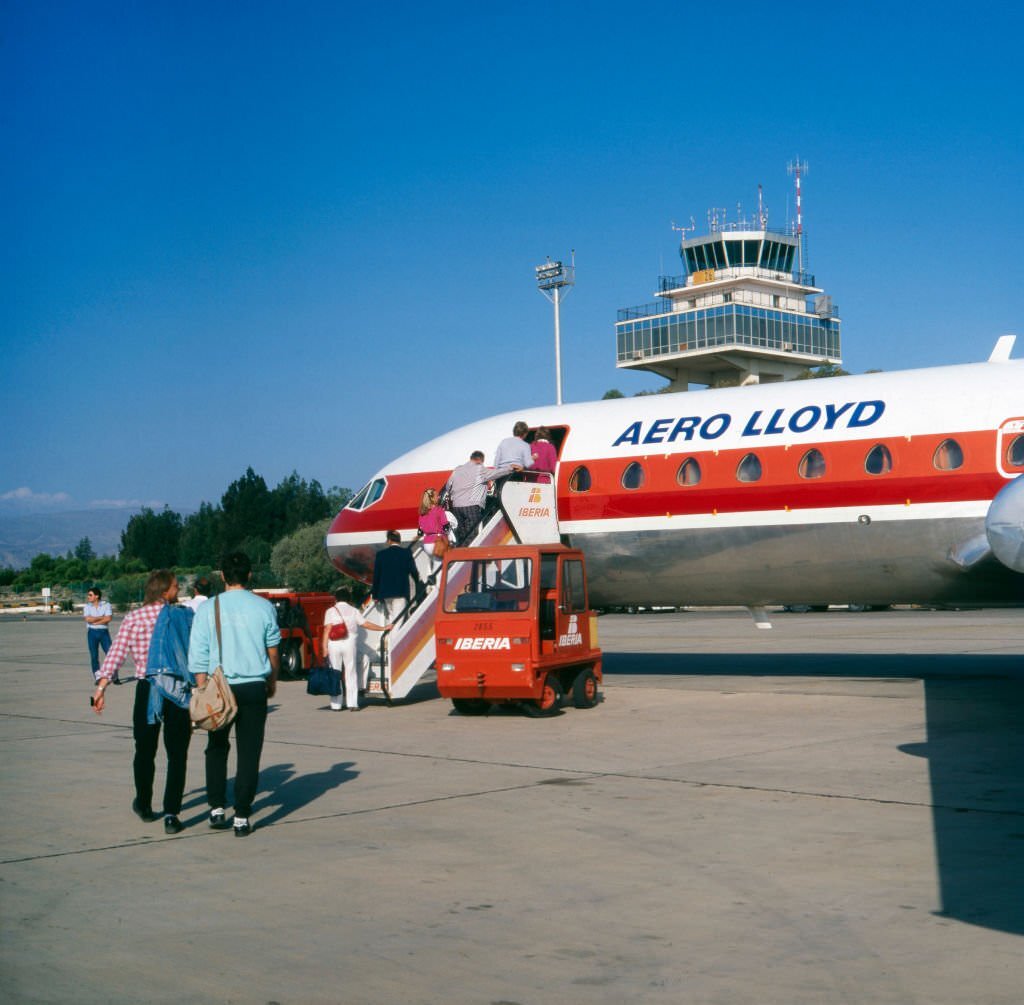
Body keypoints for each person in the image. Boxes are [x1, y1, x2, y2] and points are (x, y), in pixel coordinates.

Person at [91, 570, 193, 834]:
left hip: (148, 689)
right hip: (178, 691)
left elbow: (116, 653)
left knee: (145, 751)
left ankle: (144, 805)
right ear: (164, 592)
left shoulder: (134, 618)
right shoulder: (182, 616)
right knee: (177, 754)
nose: (177, 589)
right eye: (174, 586)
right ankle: (172, 814)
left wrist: (101, 688)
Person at [187, 552, 281, 837]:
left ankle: (216, 807)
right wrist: (272, 680)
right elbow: (273, 650)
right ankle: (242, 815)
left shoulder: (207, 608)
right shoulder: (263, 607)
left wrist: (202, 687)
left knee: (216, 747)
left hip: (219, 687)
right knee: (249, 752)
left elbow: (199, 655)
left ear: (223, 576)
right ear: (250, 575)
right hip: (254, 685)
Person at [320, 589, 391, 711]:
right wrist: (383, 628)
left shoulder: (330, 611)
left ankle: (336, 705)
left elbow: (327, 630)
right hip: (349, 643)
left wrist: (324, 648)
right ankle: (352, 704)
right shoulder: (354, 611)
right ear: (349, 599)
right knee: (351, 672)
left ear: (336, 599)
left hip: (334, 645)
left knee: (335, 674)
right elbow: (365, 624)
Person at [443, 451, 519, 545]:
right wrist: (511, 468)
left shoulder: (457, 469)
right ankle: (467, 554)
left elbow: (448, 486)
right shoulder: (479, 469)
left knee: (461, 533)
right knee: (472, 534)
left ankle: (460, 550)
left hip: (456, 507)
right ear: (480, 460)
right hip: (471, 505)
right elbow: (497, 473)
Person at [371, 530, 421, 623]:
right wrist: (418, 582)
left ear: (389, 541)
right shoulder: (406, 553)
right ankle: (394, 638)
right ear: (399, 541)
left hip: (385, 593)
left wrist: (375, 595)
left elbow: (376, 576)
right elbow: (413, 571)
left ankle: (390, 637)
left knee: (392, 618)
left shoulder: (380, 555)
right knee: (398, 621)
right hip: (400, 592)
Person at [83, 587, 116, 684]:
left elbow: (108, 618)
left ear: (96, 596)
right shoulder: (87, 606)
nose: (88, 597)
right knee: (94, 655)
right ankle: (97, 675)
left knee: (110, 654)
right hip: (92, 633)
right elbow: (88, 619)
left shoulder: (106, 605)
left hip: (103, 632)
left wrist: (96, 620)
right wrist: (102, 618)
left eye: (90, 595)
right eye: (88, 595)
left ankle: (113, 674)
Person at [417, 488, 448, 572]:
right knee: (440, 568)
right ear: (432, 498)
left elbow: (420, 531)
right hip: (437, 542)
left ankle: (432, 581)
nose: (438, 497)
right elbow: (446, 526)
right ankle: (437, 584)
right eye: (437, 496)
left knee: (435, 564)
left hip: (426, 544)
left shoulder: (422, 513)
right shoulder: (439, 510)